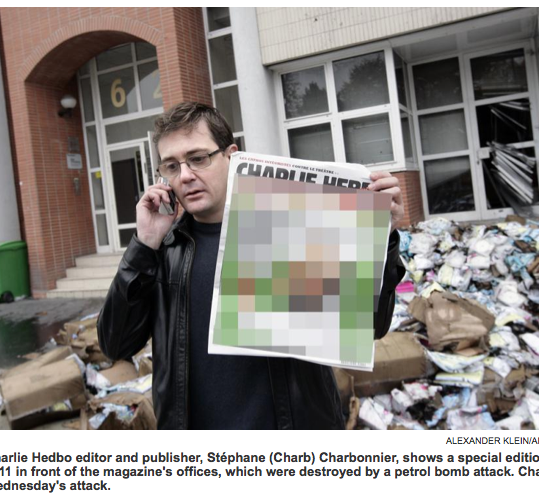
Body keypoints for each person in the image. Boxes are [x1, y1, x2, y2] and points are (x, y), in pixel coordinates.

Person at [98, 102, 406, 429]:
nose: (185, 176)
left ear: (231, 156)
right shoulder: (163, 249)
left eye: (198, 158)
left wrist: (379, 237)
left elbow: (371, 326)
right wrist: (144, 244)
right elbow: (116, 344)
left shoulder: (296, 227)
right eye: (171, 166)